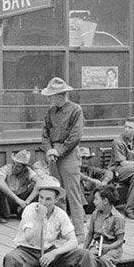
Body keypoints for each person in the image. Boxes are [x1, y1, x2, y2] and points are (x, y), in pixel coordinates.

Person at [39, 77, 86, 237]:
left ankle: (79, 233)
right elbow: (45, 133)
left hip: (69, 155)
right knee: (56, 194)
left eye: (52, 96)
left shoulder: (76, 110)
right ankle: (59, 230)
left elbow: (75, 136)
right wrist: (49, 150)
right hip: (53, 156)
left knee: (73, 194)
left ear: (61, 95)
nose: (50, 99)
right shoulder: (51, 112)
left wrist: (58, 151)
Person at [83, 186, 131, 267]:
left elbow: (120, 241)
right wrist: (84, 249)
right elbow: (90, 233)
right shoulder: (95, 213)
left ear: (105, 201)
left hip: (113, 247)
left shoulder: (118, 218)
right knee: (88, 258)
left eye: (96, 199)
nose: (93, 202)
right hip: (97, 246)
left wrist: (108, 247)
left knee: (104, 260)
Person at [0, 149, 41, 219]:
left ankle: (23, 210)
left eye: (18, 166)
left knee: (36, 186)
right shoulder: (6, 168)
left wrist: (27, 201)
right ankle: (5, 215)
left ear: (24, 167)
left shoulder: (28, 171)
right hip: (8, 200)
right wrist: (17, 199)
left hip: (22, 199)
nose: (15, 167)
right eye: (14, 164)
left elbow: (40, 182)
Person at [77, 145, 110, 211]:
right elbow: (78, 175)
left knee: (106, 181)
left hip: (92, 200)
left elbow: (108, 172)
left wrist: (105, 181)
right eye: (82, 158)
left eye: (87, 158)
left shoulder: (91, 169)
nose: (85, 161)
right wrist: (93, 181)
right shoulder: (73, 170)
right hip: (78, 202)